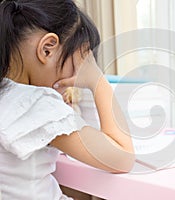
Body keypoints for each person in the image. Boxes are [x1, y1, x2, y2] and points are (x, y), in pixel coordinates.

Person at [0, 0, 135, 199]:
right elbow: (123, 157)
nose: (73, 80)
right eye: (78, 63)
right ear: (47, 49)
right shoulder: (38, 104)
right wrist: (97, 80)